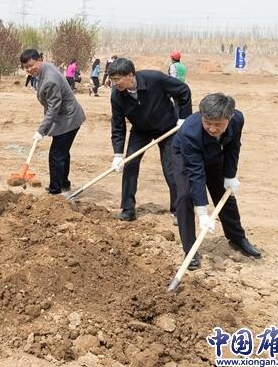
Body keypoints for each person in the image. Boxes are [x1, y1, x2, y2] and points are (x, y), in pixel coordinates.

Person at [172, 93, 260, 270]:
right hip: (185, 156)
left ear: (230, 117)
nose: (212, 129)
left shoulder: (238, 119)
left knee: (224, 193)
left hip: (213, 152)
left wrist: (230, 176)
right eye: (207, 123)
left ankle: (237, 238)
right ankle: (190, 250)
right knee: (185, 196)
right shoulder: (190, 131)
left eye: (218, 124)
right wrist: (202, 213)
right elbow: (196, 172)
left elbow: (233, 147)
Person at [107, 58, 192, 222]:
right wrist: (117, 154)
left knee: (171, 168)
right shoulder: (117, 96)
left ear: (130, 75)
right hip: (140, 130)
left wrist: (183, 117)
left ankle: (178, 210)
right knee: (130, 164)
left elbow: (183, 90)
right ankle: (128, 209)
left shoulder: (155, 79)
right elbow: (118, 125)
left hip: (167, 127)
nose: (114, 83)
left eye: (117, 79)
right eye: (112, 80)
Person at [20, 49, 86, 195]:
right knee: (62, 152)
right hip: (66, 117)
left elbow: (53, 108)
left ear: (39, 60)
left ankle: (55, 190)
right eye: (26, 67)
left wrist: (41, 130)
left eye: (31, 65)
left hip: (68, 119)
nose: (29, 69)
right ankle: (63, 183)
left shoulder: (50, 79)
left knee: (56, 155)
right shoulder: (45, 69)